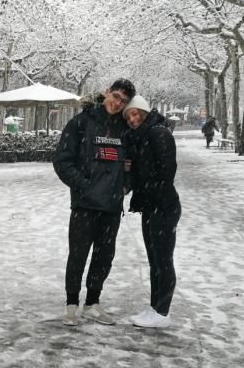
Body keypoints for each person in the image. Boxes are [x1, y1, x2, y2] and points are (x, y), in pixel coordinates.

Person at [53, 78, 136, 326]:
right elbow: (62, 161)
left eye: (123, 101)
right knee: (77, 256)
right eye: (116, 96)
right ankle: (71, 305)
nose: (117, 103)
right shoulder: (81, 122)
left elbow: (133, 163)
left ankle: (92, 303)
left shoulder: (125, 129)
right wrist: (84, 185)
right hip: (84, 205)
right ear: (106, 92)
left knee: (104, 257)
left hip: (111, 207)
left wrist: (125, 185)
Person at [124, 95, 181, 328]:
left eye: (135, 114)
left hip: (163, 205)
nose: (132, 119)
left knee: (163, 260)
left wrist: (143, 182)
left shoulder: (159, 133)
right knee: (154, 260)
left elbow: (167, 171)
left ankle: (162, 312)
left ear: (145, 113)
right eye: (128, 116)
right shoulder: (142, 137)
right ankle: (155, 306)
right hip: (151, 206)